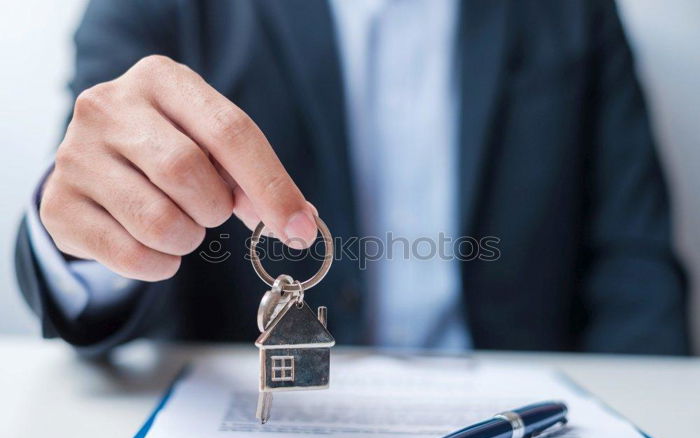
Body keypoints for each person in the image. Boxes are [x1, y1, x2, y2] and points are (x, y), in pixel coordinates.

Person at [14, 0, 689, 355]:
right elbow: (95, 191)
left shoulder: (577, 10)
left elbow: (634, 266)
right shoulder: (160, 5)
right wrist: (89, 243)